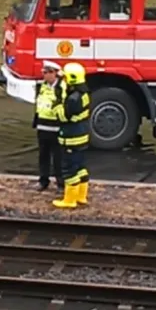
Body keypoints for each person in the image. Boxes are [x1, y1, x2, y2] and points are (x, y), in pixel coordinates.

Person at [51, 62, 90, 209]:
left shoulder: (73, 98)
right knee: (80, 167)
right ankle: (81, 196)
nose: (63, 80)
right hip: (82, 136)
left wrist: (57, 103)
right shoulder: (84, 93)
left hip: (72, 138)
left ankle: (70, 200)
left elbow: (63, 117)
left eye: (65, 78)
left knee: (69, 169)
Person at [32, 61, 66, 192]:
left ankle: (61, 183)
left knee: (58, 157)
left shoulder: (61, 88)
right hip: (42, 126)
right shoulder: (42, 87)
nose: (44, 75)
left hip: (56, 127)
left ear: (55, 73)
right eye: (43, 72)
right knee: (43, 156)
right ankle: (43, 181)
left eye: (47, 72)